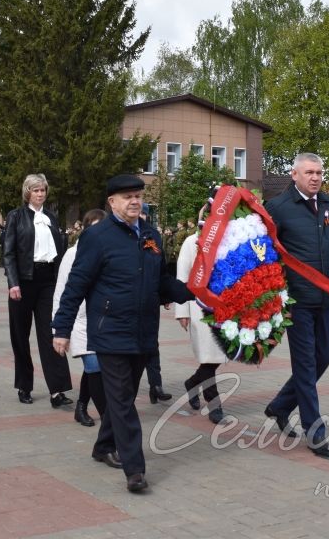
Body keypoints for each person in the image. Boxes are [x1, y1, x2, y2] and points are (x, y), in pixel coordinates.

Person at [52, 174, 193, 493]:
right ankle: (135, 469)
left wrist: (195, 293)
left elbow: (161, 282)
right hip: (110, 333)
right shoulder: (97, 237)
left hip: (143, 333)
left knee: (123, 398)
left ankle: (102, 446)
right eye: (126, 196)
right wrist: (61, 329)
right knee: (123, 402)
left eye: (138, 195)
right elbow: (76, 286)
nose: (134, 200)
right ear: (112, 202)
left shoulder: (152, 235)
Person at [263, 153, 329, 459]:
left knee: (323, 358)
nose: (316, 177)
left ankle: (280, 406)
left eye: (319, 172)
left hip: (325, 298)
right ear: (293, 175)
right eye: (309, 172)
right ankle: (314, 430)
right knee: (306, 365)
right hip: (296, 301)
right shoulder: (278, 208)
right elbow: (264, 252)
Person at [3, 174, 72, 407]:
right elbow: (9, 253)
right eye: (35, 190)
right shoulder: (16, 216)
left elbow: (60, 252)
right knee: (20, 336)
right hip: (22, 282)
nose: (40, 194)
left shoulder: (52, 217)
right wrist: (13, 282)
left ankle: (58, 390)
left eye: (42, 190)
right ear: (27, 192)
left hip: (48, 282)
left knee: (51, 334)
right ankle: (24, 385)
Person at [52, 208, 109, 428]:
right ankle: (109, 420)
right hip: (79, 321)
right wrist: (59, 327)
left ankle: (82, 405)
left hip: (102, 321)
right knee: (94, 366)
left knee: (94, 368)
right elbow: (62, 290)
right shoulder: (73, 254)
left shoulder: (108, 252)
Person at [176, 205, 229, 424]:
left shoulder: (229, 239)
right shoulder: (192, 241)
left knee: (217, 356)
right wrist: (181, 310)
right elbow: (182, 275)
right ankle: (213, 401)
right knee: (209, 354)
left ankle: (192, 383)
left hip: (225, 307)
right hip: (199, 306)